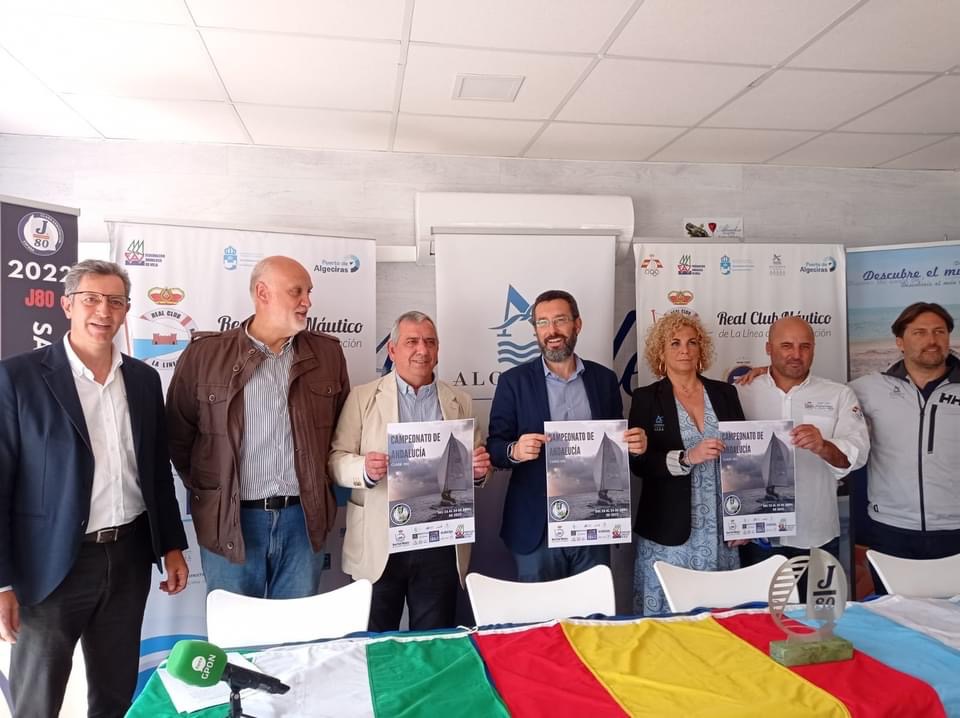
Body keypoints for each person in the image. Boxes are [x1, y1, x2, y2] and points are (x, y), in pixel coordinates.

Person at [0, 260, 188, 718]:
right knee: (37, 701)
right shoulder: (17, 378)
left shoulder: (143, 380)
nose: (103, 311)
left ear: (126, 310)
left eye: (115, 301)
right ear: (67, 305)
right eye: (91, 299)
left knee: (115, 693)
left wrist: (171, 546)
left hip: (128, 556)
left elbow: (155, 471)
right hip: (51, 565)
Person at [166, 256, 349, 599]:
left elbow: (341, 433)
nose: (307, 302)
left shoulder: (328, 355)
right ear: (263, 293)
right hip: (231, 521)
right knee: (235, 629)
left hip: (302, 521)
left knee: (297, 630)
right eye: (297, 291)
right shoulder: (205, 355)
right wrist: (215, 491)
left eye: (308, 292)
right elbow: (179, 437)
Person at [328, 311, 491, 631]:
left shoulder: (460, 400)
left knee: (432, 640)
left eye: (430, 342)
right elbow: (335, 460)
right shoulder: (363, 397)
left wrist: (478, 471)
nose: (422, 350)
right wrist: (364, 468)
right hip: (380, 541)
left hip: (440, 542)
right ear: (392, 350)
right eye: (412, 342)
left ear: (438, 350)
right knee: (377, 640)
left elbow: (476, 464)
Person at [487, 290, 646, 582]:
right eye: (543, 322)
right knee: (539, 610)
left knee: (591, 609)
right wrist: (515, 451)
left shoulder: (604, 379)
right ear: (535, 330)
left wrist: (634, 447)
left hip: (593, 521)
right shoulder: (513, 382)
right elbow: (495, 448)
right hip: (536, 528)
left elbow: (615, 447)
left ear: (577, 324)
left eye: (560, 320)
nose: (552, 331)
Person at [736, 317, 870, 596]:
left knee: (819, 618)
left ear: (813, 349)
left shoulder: (839, 395)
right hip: (758, 535)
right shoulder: (740, 392)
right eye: (786, 345)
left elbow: (857, 455)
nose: (796, 354)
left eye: (804, 346)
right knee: (763, 618)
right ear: (769, 348)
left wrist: (824, 446)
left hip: (816, 533)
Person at [629, 312, 744, 615]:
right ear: (660, 352)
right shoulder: (645, 399)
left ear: (701, 349)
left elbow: (744, 459)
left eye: (692, 342)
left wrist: (742, 521)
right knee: (669, 619)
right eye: (675, 343)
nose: (685, 350)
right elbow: (639, 465)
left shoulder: (725, 393)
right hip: (668, 529)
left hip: (719, 527)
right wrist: (686, 457)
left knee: (719, 617)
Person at [849, 302, 960, 577]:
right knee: (893, 605)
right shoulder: (869, 388)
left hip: (955, 529)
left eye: (939, 331)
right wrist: (767, 374)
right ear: (900, 342)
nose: (931, 340)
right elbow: (818, 399)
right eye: (919, 332)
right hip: (891, 530)